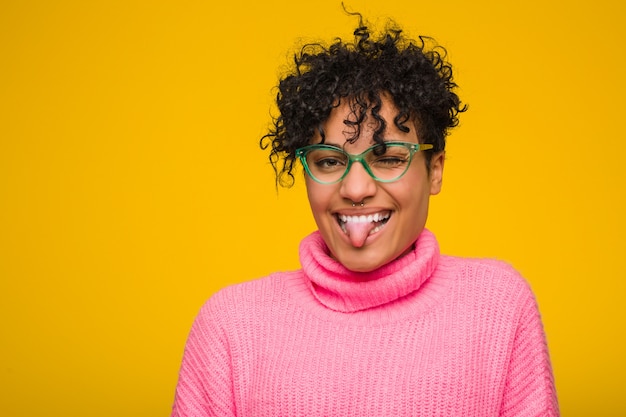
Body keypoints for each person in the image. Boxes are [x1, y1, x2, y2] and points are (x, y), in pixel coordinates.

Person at [171, 11, 559, 417]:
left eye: (389, 158)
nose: (355, 189)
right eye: (328, 161)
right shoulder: (231, 327)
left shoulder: (498, 307)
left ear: (435, 170)